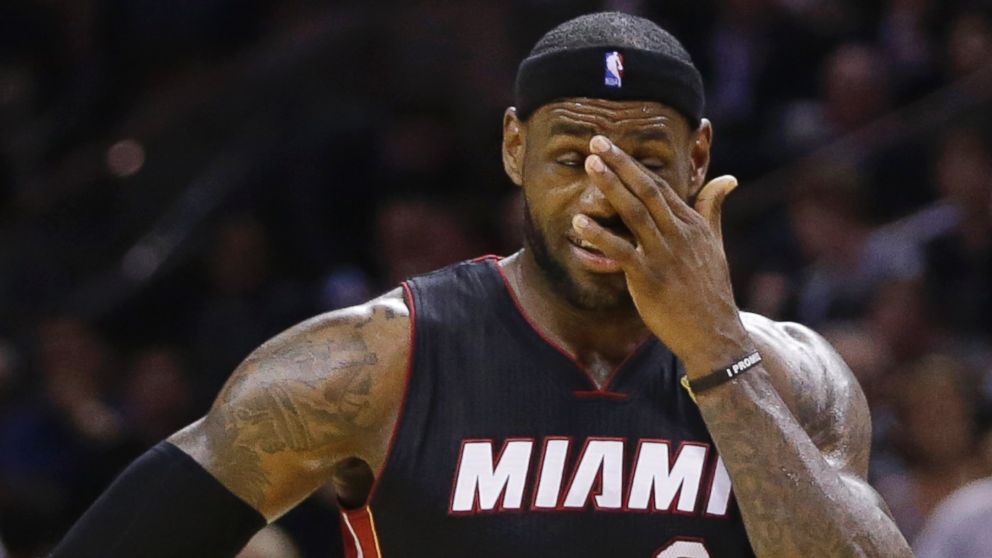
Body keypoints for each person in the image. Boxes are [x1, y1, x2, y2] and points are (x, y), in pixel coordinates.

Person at [51, 12, 912, 557]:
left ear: (698, 160)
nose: (603, 196)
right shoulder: (371, 362)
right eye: (571, 158)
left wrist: (719, 354)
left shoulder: (791, 373)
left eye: (646, 161)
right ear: (512, 151)